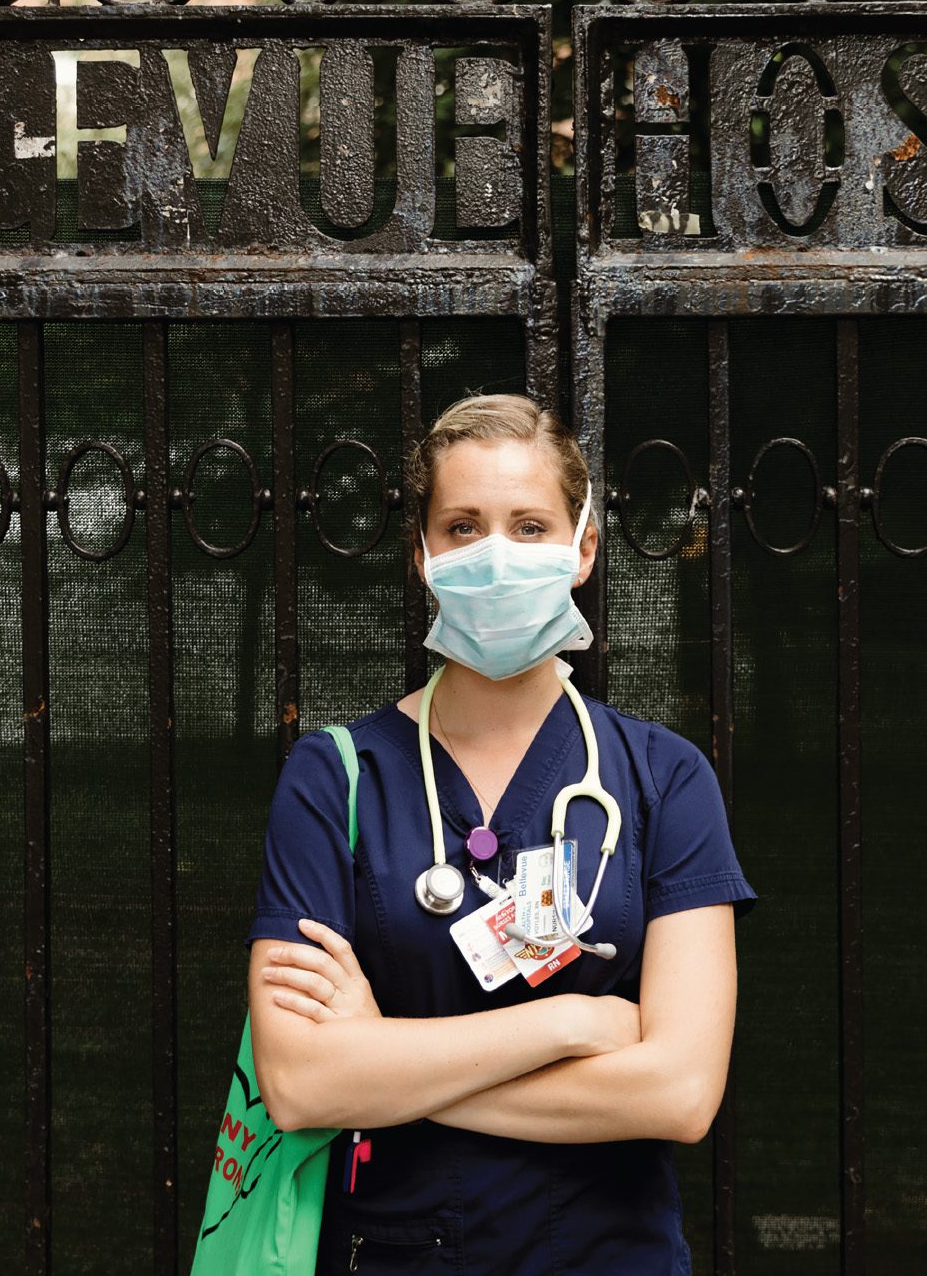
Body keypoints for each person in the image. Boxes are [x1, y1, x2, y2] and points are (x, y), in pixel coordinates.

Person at [241, 392, 756, 1274]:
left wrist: (390, 1070)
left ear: (583, 547)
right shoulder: (336, 778)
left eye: (528, 526)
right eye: (462, 527)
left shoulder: (665, 779)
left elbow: (679, 1092)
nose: (495, 556)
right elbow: (300, 1085)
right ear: (423, 556)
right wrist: (570, 1021)